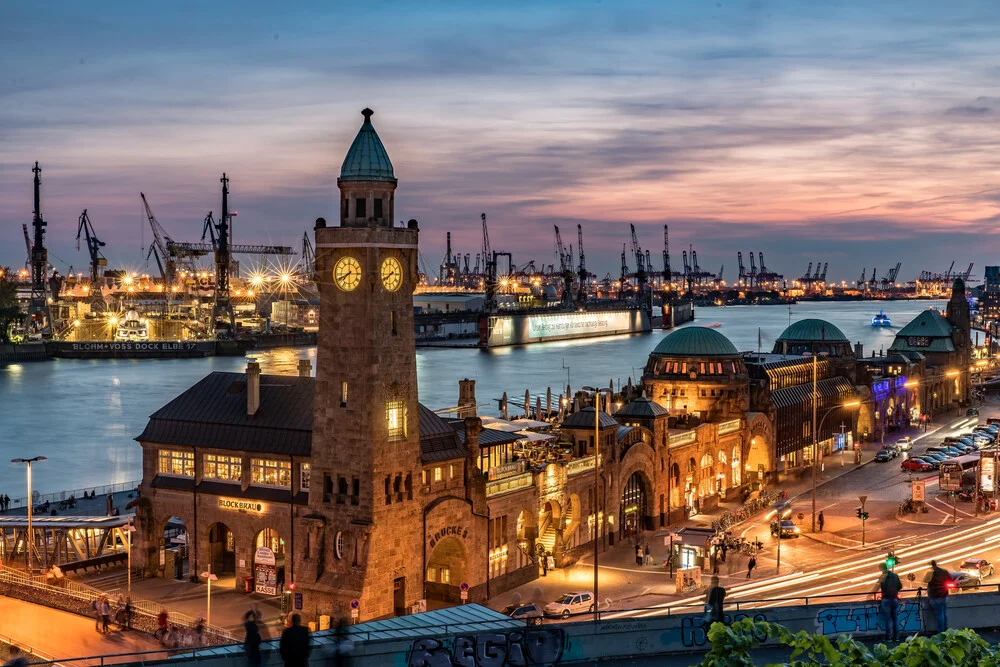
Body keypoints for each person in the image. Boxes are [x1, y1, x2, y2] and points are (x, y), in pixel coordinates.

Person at [877, 563, 903, 641]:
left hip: (886, 599)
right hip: (894, 599)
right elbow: (900, 586)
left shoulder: (882, 577)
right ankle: (897, 637)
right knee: (895, 619)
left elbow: (878, 587)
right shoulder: (895, 576)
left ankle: (888, 637)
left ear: (881, 568)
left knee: (888, 620)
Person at [926, 560, 954, 632]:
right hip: (944, 595)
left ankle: (941, 632)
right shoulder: (944, 571)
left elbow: (925, 580)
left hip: (934, 596)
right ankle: (946, 630)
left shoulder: (930, 572)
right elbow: (951, 580)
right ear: (937, 564)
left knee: (939, 615)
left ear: (931, 565)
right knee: (944, 613)